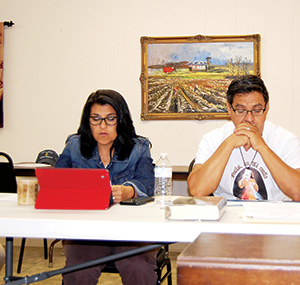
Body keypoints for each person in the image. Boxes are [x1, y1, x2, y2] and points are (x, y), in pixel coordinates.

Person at [55, 89, 156, 284]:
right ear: (87, 121)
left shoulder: (139, 147)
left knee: (138, 268)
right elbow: (56, 181)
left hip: (131, 230)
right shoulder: (74, 146)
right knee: (79, 271)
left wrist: (130, 190)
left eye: (110, 119)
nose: (103, 126)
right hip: (86, 231)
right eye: (96, 119)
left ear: (122, 120)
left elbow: (148, 183)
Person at [188, 75, 300, 201]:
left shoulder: (286, 140)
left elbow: (298, 192)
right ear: (229, 109)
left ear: (267, 108)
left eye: (257, 110)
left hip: (274, 216)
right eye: (241, 111)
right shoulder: (213, 139)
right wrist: (228, 144)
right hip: (228, 216)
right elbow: (197, 190)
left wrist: (262, 147)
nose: (249, 118)